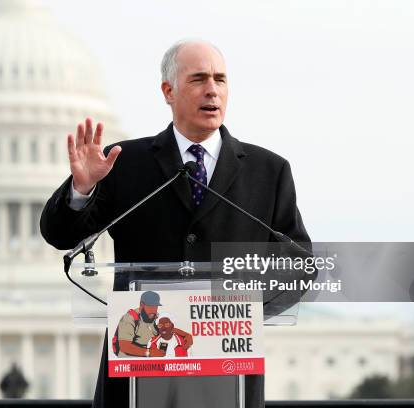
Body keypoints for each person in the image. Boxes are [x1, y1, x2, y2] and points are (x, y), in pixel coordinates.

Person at [41, 39, 311, 408]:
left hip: (227, 372)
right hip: (139, 370)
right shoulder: (125, 162)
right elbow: (60, 235)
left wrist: (241, 312)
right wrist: (81, 189)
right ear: (168, 90)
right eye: (199, 79)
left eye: (220, 79)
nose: (212, 89)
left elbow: (299, 265)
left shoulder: (269, 170)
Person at [115, 291, 191, 358]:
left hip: (151, 355)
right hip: (130, 359)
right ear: (142, 305)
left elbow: (167, 328)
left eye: (155, 306)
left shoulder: (155, 316)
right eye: (150, 306)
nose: (153, 310)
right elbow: (125, 346)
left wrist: (186, 335)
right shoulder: (129, 319)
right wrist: (149, 352)